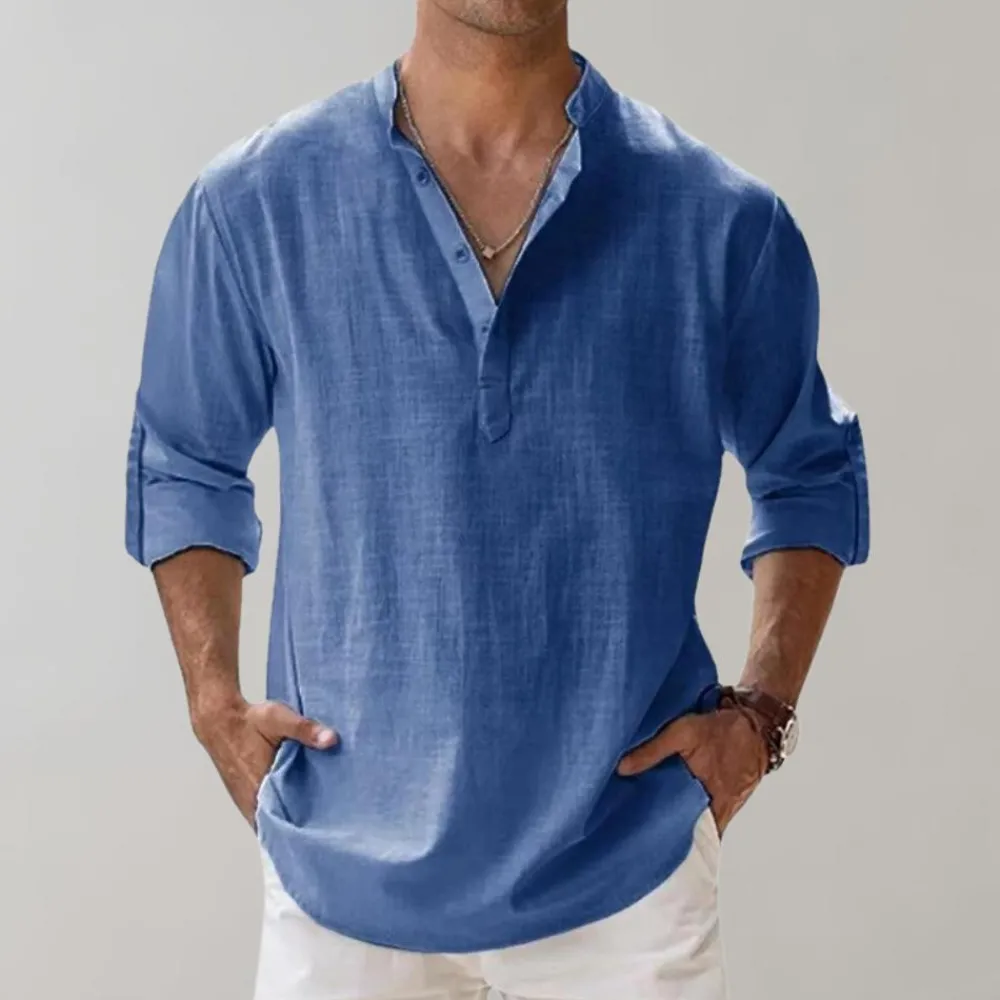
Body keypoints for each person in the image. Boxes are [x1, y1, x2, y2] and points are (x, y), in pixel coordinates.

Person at [124, 1, 870, 997]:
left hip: (626, 872)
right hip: (341, 869)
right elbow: (183, 458)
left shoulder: (720, 220)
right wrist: (213, 702)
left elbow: (809, 471)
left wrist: (762, 713)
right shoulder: (256, 204)